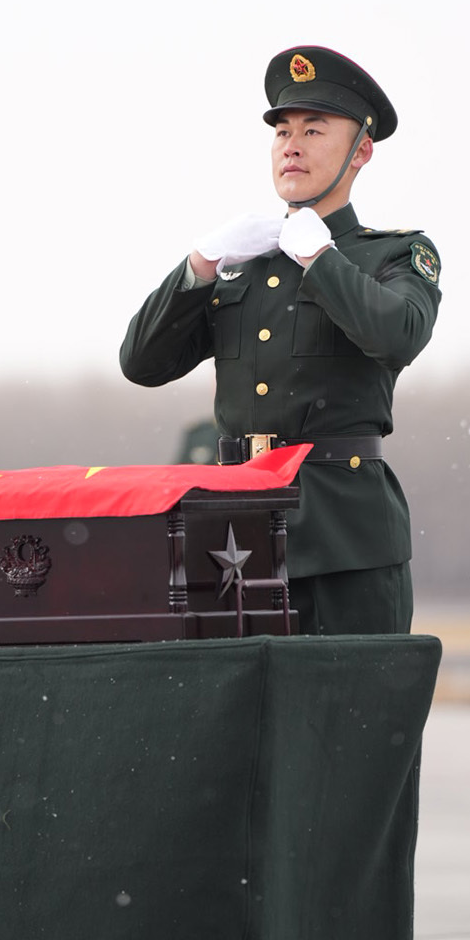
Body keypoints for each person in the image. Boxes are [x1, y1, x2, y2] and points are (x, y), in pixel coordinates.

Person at [119, 44, 441, 635]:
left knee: (353, 719)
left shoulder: (391, 254)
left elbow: (396, 336)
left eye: (314, 130)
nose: (291, 144)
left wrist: (320, 256)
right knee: (241, 722)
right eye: (283, 131)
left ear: (361, 150)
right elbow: (142, 361)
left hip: (348, 541)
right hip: (234, 538)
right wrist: (201, 263)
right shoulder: (242, 263)